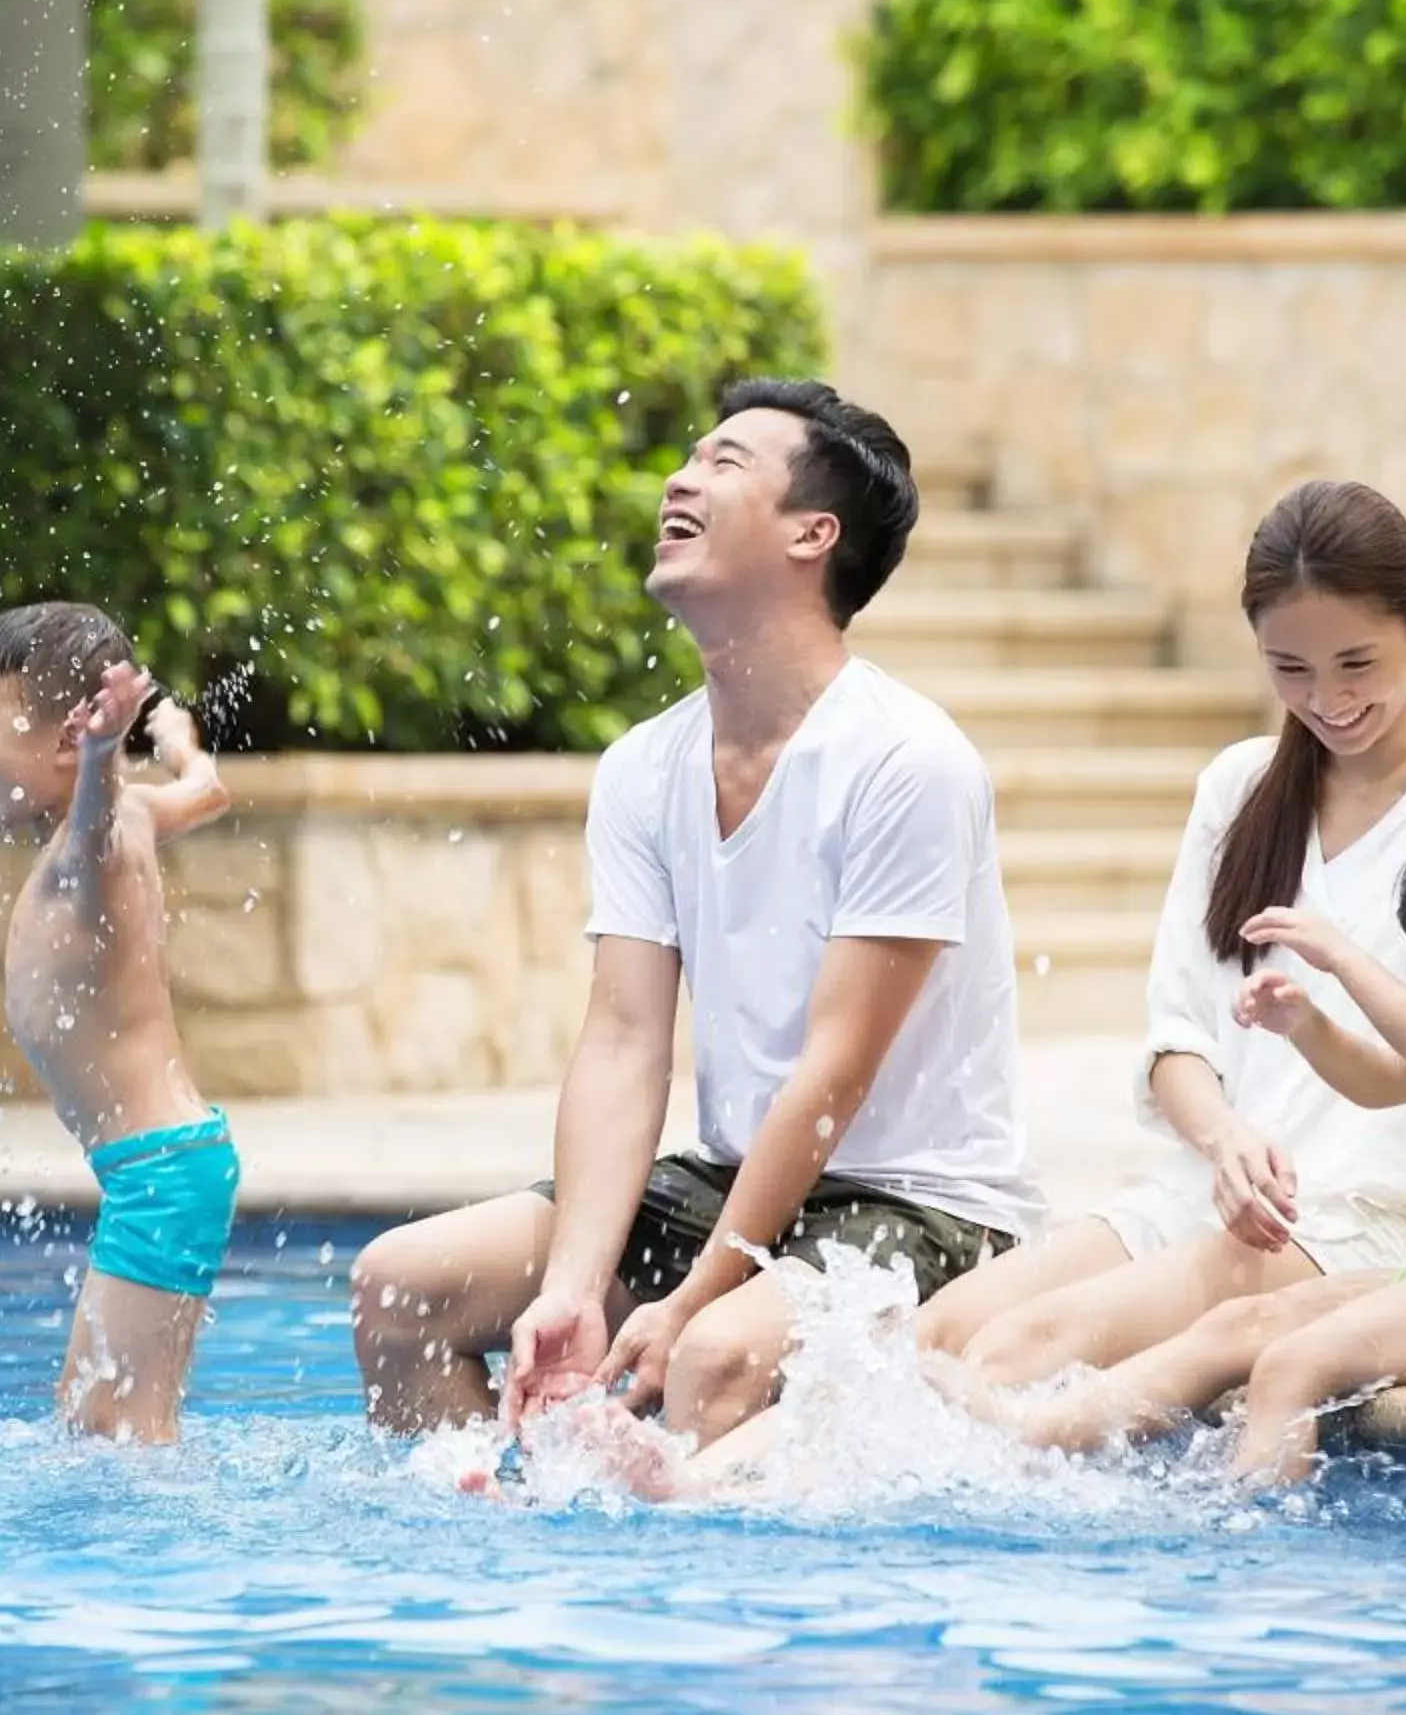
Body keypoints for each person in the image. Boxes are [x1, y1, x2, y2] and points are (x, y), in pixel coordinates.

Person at [349, 379, 1042, 1450]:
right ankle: (496, 1563)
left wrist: (690, 1298)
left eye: (725, 462)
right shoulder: (643, 765)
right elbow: (624, 1039)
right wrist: (576, 1289)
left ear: (816, 533)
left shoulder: (909, 760)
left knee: (716, 1351)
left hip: (922, 1205)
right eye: (690, 457)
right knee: (398, 1284)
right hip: (732, 1178)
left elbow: (833, 1069)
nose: (680, 477)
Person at [915, 480, 1406, 1390]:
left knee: (1018, 1350)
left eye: (1357, 664)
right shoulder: (1239, 790)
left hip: (1359, 1224)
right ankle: (717, 1497)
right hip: (1210, 1193)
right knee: (934, 1336)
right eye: (1291, 669)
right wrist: (1225, 1141)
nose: (1329, 700)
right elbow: (1177, 1038)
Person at [932, 798, 1406, 1484]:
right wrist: (1307, 1024)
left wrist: (1341, 956)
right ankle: (1039, 1431)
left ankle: (1263, 1546)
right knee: (1238, 1325)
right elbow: (1380, 1080)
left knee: (1291, 1367)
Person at [0, 601, 238, 1443]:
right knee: (96, 1424)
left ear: (66, 741)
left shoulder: (98, 838)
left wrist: (109, 750)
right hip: (161, 1171)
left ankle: (178, 1566)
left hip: (161, 1177)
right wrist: (177, 743)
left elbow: (96, 814)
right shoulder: (135, 816)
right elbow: (208, 791)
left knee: (122, 1433)